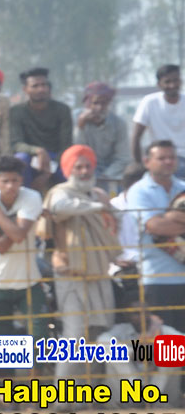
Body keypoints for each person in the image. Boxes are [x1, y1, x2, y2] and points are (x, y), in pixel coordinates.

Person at [43, 146, 120, 358]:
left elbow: (118, 219)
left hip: (99, 272)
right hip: (71, 273)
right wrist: (96, 207)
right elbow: (60, 208)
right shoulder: (60, 192)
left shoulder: (98, 194)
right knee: (74, 336)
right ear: (68, 170)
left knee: (102, 332)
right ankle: (64, 380)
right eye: (78, 167)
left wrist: (104, 206)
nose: (84, 171)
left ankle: (96, 380)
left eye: (88, 166)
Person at [0, 155, 46, 337]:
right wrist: (16, 224)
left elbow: (18, 237)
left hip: (28, 279)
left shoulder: (31, 197)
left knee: (39, 334)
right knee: (3, 337)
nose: (10, 186)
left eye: (15, 180)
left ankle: (37, 359)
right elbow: (1, 247)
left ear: (21, 180)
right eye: (5, 181)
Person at [126, 139, 185, 331]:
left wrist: (168, 219)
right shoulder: (139, 191)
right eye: (162, 158)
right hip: (157, 279)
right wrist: (169, 220)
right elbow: (155, 227)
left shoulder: (182, 187)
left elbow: (160, 224)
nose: (168, 161)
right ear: (147, 162)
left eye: (172, 157)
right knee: (166, 339)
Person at [10, 67, 72, 191]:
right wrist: (38, 150)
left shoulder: (62, 110)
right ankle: (25, 196)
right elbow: (16, 144)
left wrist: (48, 170)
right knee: (20, 159)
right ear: (25, 89)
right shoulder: (16, 111)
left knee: (70, 167)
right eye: (35, 86)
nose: (41, 89)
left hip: (55, 156)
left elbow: (66, 145)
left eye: (44, 85)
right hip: (30, 156)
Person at [132, 64, 185, 178]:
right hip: (159, 157)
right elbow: (136, 137)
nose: (172, 85)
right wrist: (139, 165)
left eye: (175, 80)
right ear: (159, 84)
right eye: (167, 82)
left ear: (180, 81)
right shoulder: (149, 102)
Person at [74, 80, 130, 184]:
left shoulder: (119, 124)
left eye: (103, 103)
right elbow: (75, 152)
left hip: (110, 175)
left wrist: (106, 176)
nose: (99, 108)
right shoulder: (75, 118)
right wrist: (81, 126)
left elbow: (123, 158)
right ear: (87, 103)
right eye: (95, 103)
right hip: (82, 172)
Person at [109, 163, 147, 310]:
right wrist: (115, 259)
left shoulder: (152, 205)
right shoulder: (112, 207)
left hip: (149, 263)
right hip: (121, 265)